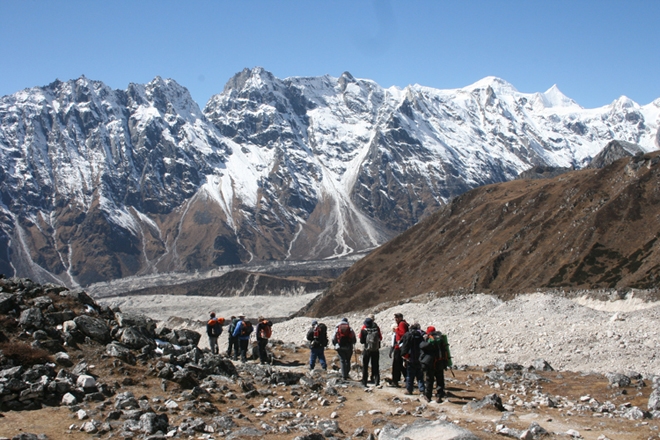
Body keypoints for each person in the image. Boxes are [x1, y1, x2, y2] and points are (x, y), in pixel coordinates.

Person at [419, 326, 448, 403]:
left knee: (429, 380)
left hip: (431, 364)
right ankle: (439, 396)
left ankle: (428, 396)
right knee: (440, 380)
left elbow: (422, 346)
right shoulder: (441, 340)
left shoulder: (430, 340)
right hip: (440, 363)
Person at [399, 322, 425, 395]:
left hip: (410, 358)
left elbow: (402, 345)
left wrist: (404, 356)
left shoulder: (408, 335)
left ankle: (409, 390)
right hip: (420, 358)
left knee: (410, 375)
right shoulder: (421, 335)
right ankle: (422, 390)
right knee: (420, 375)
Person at [359, 317, 382, 386]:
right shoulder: (376, 329)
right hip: (375, 350)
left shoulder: (364, 330)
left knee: (365, 366)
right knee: (375, 365)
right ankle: (377, 381)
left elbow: (361, 341)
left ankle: (364, 381)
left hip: (367, 350)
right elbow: (380, 338)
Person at [389, 313, 409, 387]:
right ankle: (406, 379)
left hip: (399, 347)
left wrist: (397, 330)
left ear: (401, 317)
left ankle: (395, 381)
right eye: (395, 318)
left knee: (396, 364)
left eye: (397, 317)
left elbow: (403, 334)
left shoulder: (401, 324)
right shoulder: (404, 324)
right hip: (401, 347)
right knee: (400, 365)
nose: (396, 319)